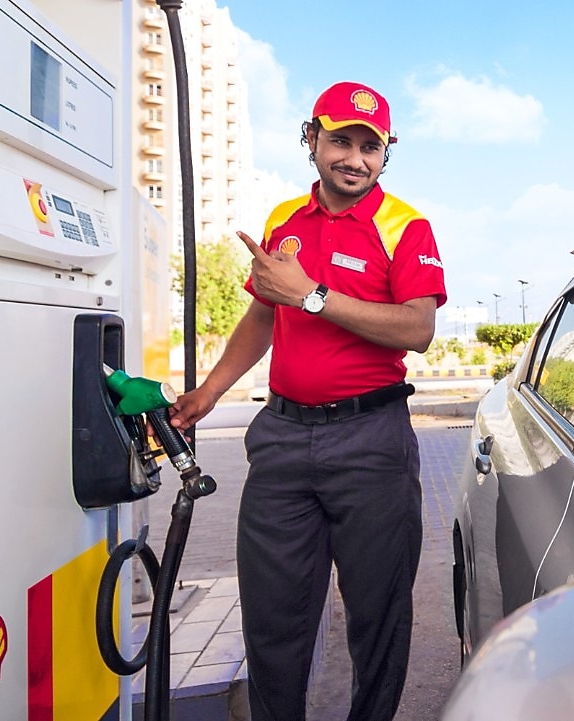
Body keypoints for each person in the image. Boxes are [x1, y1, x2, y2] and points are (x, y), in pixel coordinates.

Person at [169, 80, 446, 721]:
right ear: (312, 139)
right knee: (272, 618)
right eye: (340, 141)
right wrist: (209, 392)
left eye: (369, 147)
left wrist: (312, 295)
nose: (354, 158)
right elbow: (264, 315)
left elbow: (418, 328)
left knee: (377, 616)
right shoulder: (284, 221)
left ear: (386, 153)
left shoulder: (404, 225)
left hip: (371, 439)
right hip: (283, 439)